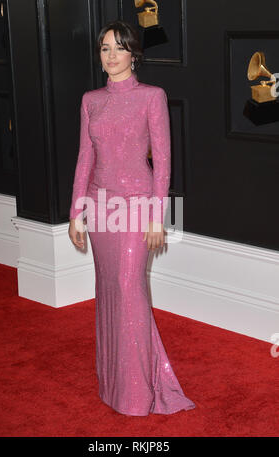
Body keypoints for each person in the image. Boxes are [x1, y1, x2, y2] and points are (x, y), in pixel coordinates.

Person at [68, 20, 196, 416]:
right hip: (100, 205)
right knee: (109, 290)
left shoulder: (151, 96)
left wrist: (158, 216)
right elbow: (84, 158)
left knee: (129, 289)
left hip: (138, 205)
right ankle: (115, 385)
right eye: (104, 48)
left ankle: (141, 391)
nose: (111, 56)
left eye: (118, 48)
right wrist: (76, 213)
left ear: (133, 53)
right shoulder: (91, 99)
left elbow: (163, 161)